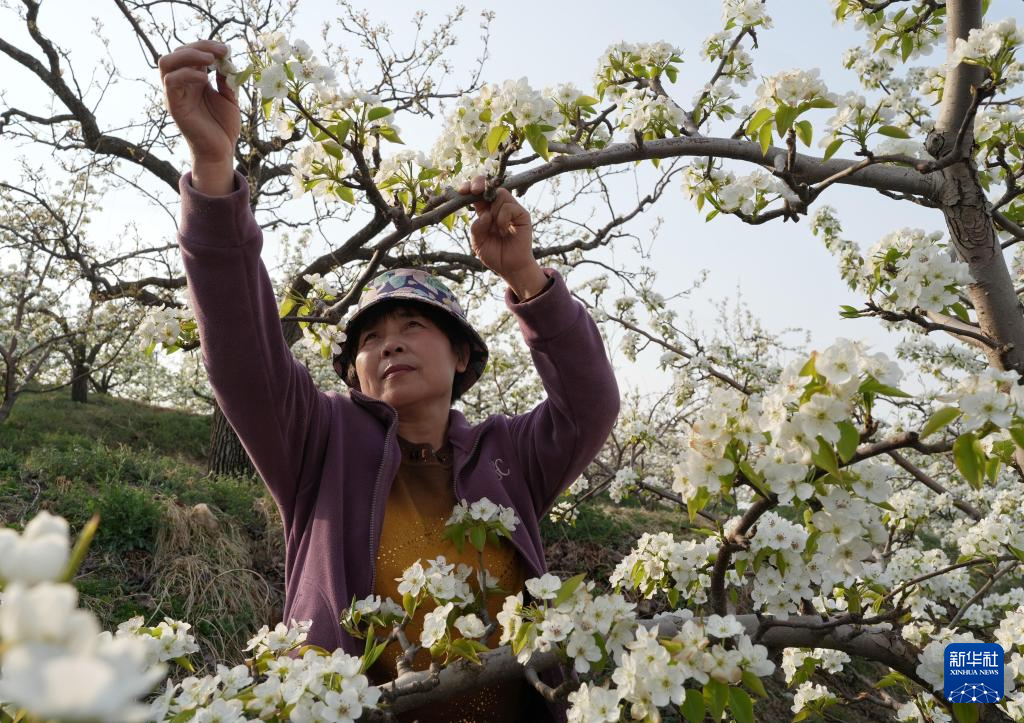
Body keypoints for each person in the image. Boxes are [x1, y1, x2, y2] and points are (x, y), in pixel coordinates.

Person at [159, 40, 620, 721]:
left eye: (412, 325)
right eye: (369, 339)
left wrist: (524, 274)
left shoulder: (508, 456)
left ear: (461, 355)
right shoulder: (320, 442)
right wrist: (213, 170)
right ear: (354, 372)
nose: (389, 343)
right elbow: (242, 358)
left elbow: (590, 403)